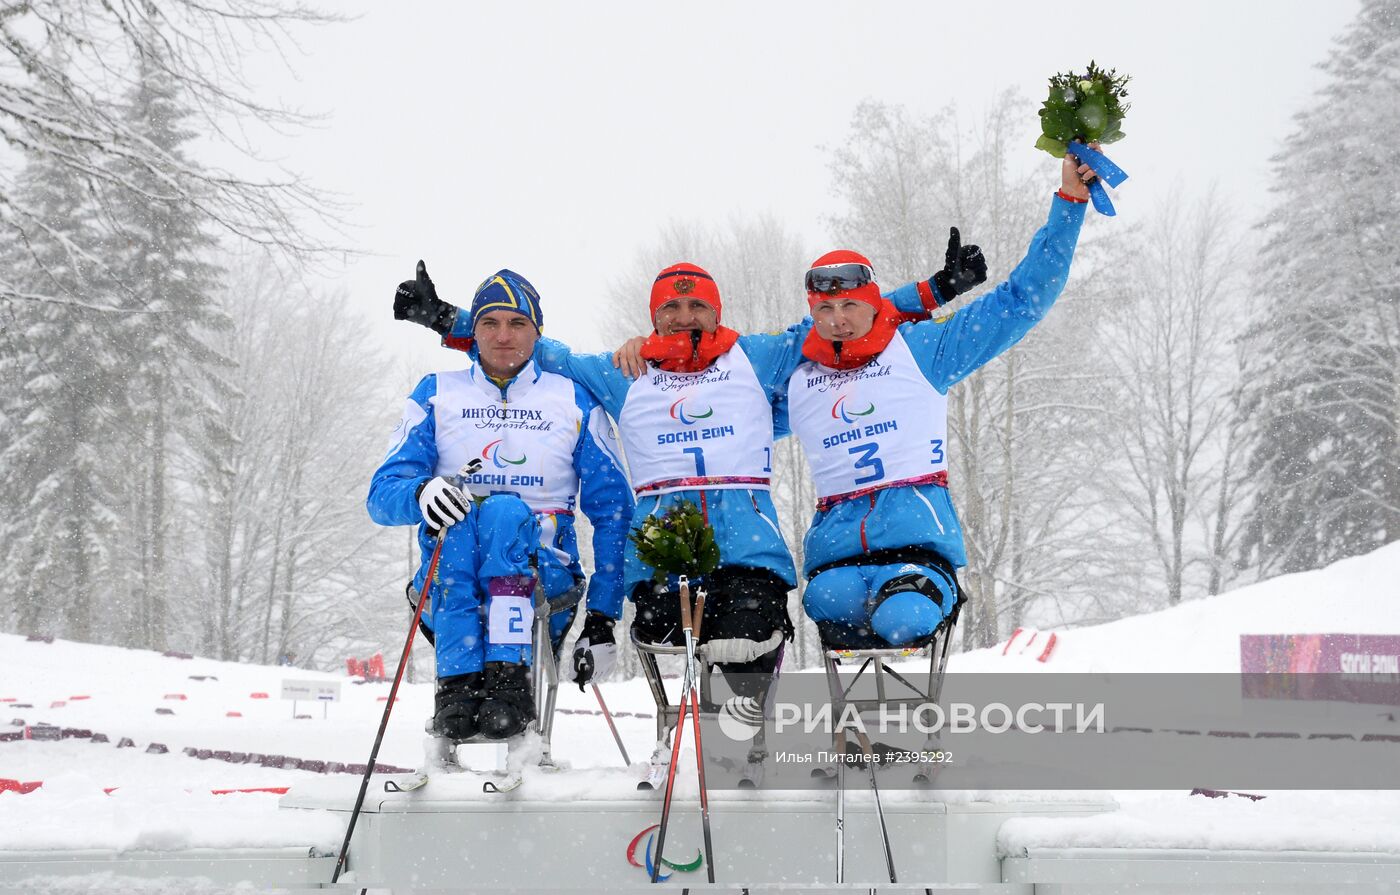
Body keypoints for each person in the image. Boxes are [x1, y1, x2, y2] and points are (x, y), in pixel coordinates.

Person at [397, 250, 988, 697]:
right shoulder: (625, 372)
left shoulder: (756, 357)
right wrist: (447, 319)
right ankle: (676, 740)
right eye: (671, 309)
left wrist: (933, 291)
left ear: (717, 311)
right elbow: (527, 348)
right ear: (654, 317)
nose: (685, 317)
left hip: (750, 549)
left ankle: (743, 737)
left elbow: (843, 319)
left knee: (746, 636)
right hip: (663, 550)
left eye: (697, 306)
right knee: (666, 633)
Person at [785, 150, 1100, 649]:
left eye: (850, 305)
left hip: (918, 548)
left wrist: (1071, 202)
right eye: (825, 308)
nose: (838, 319)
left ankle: (928, 598)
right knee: (828, 603)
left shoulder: (920, 349)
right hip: (836, 557)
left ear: (873, 304)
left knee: (902, 619)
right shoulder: (799, 376)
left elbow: (1022, 301)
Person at [369, 268, 632, 741]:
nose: (503, 336)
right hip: (452, 571)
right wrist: (421, 492)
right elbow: (381, 495)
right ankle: (457, 688)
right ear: (473, 330)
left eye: (517, 323)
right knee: (468, 520)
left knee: (506, 514)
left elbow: (614, 511)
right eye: (489, 323)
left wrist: (602, 615)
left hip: (543, 575)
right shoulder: (437, 393)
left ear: (538, 331)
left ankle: (508, 684)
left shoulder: (573, 399)